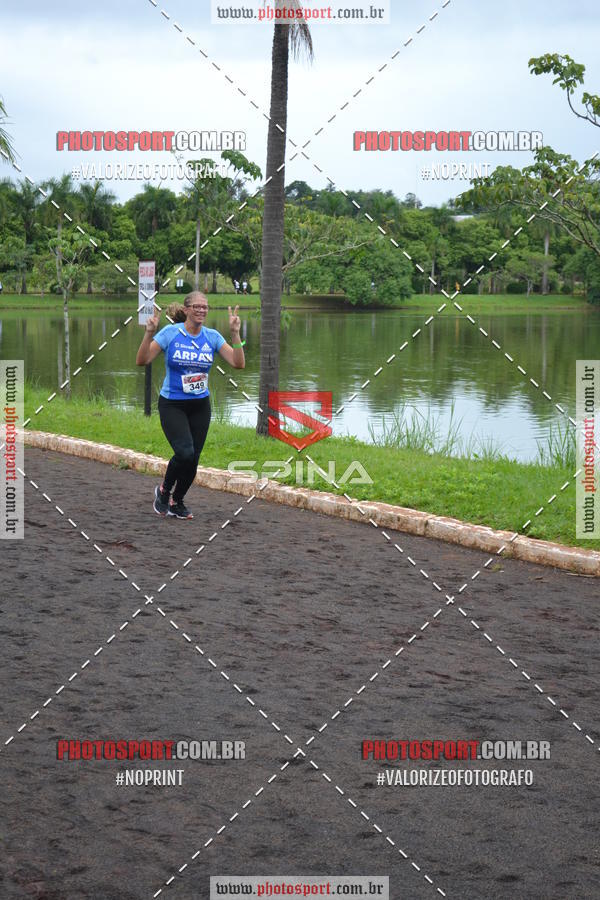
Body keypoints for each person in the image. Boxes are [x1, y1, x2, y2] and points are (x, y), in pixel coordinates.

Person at [136, 291, 245, 519]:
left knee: (193, 458)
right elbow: (142, 360)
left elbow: (238, 363)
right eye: (197, 306)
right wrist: (149, 334)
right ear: (186, 310)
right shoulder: (170, 333)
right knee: (184, 453)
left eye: (205, 307)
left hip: (200, 406)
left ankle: (177, 501)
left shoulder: (212, 337)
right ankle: (164, 491)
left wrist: (236, 334)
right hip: (172, 404)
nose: (201, 310)